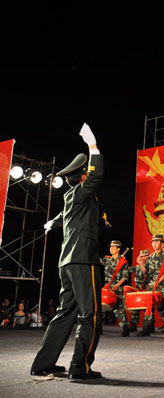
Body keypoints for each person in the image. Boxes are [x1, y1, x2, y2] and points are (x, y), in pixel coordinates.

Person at [31, 123, 105, 379]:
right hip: (84, 261)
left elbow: (64, 215)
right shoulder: (82, 192)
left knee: (65, 314)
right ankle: (79, 367)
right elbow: (97, 176)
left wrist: (52, 222)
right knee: (90, 315)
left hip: (67, 263)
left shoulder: (70, 197)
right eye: (86, 175)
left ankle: (42, 363)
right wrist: (93, 146)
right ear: (82, 176)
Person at [101, 240, 131, 336]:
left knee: (119, 309)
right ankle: (99, 328)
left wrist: (117, 285)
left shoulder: (123, 262)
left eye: (114, 247)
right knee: (102, 307)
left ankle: (125, 329)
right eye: (110, 247)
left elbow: (125, 276)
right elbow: (96, 260)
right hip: (108, 287)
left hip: (118, 288)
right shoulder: (107, 260)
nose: (111, 249)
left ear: (118, 249)